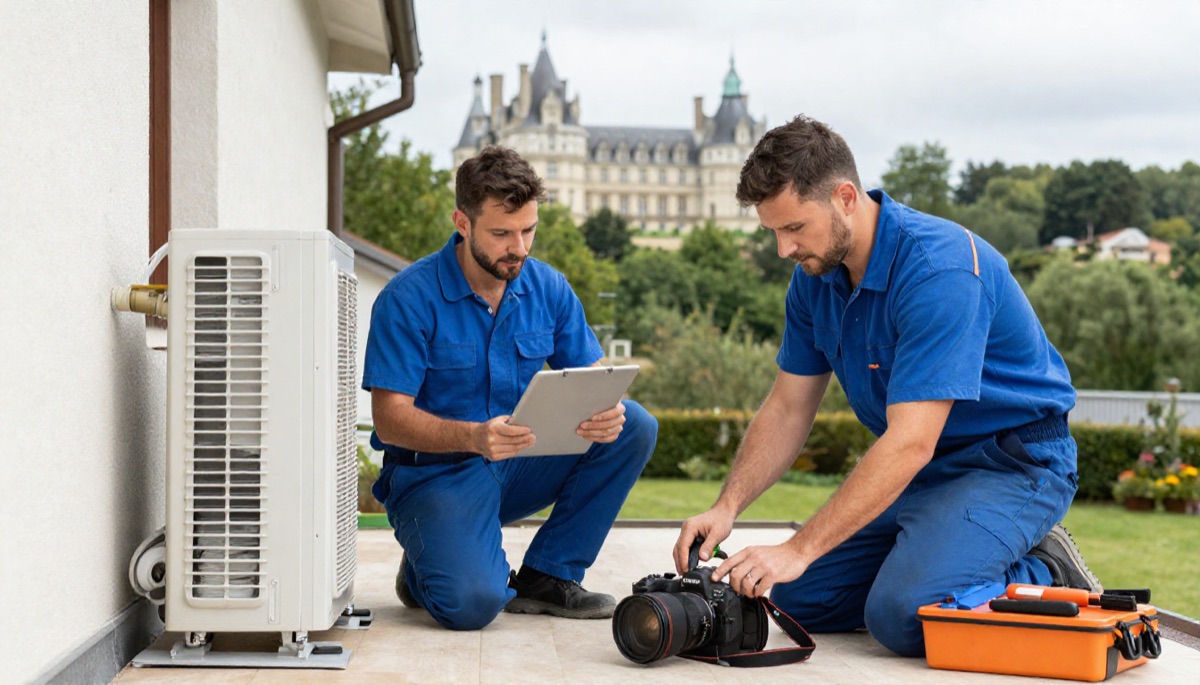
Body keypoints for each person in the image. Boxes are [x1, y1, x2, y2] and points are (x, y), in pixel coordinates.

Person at [673, 116, 1099, 657]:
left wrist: (800, 548)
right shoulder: (814, 280)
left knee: (903, 615)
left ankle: (1044, 566)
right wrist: (727, 506)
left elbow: (910, 441)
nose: (783, 249)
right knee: (792, 597)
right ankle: (940, 555)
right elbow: (787, 409)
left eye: (794, 227)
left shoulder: (939, 270)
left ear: (845, 198)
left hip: (1011, 465)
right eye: (773, 231)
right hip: (922, 472)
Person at [364, 146, 657, 631]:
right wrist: (473, 437)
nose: (519, 247)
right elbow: (389, 419)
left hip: (518, 462)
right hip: (435, 475)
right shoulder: (408, 298)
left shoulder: (549, 288)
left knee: (634, 426)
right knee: (474, 605)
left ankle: (548, 575)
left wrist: (607, 412)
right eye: (501, 234)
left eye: (528, 230)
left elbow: (595, 381)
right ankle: (426, 561)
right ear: (463, 223)